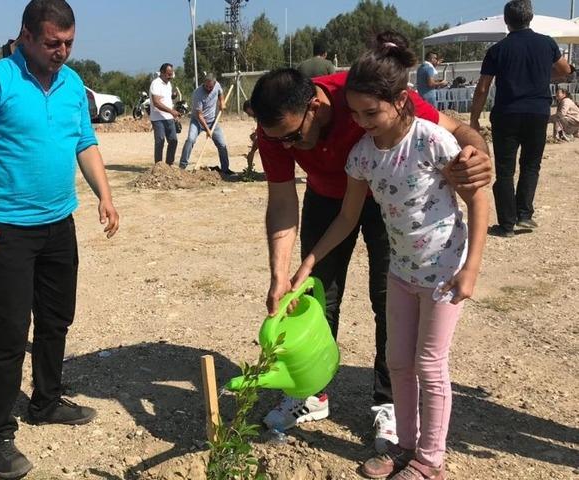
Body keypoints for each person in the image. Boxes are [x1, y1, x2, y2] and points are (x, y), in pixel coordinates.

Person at [248, 47, 492, 452]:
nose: (288, 147)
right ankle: (310, 392)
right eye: (279, 140)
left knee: (386, 298)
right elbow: (282, 203)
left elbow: (454, 129)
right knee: (316, 297)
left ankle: (388, 402)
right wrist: (280, 274)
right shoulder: (275, 130)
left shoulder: (363, 93)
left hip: (389, 202)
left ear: (315, 107)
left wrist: (478, 154)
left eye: (293, 137)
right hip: (330, 201)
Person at [0, 1, 120, 477]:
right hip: (9, 229)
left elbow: (84, 142)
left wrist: (105, 195)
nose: (61, 52)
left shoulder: (72, 84)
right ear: (26, 35)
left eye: (68, 43)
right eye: (52, 43)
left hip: (59, 224)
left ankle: (46, 401)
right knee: (9, 335)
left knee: (56, 320)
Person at [470, 0, 571, 237]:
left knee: (505, 170)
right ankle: (524, 215)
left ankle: (506, 224)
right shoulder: (547, 43)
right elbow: (565, 70)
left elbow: (483, 88)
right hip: (537, 112)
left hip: (506, 113)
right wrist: (543, 75)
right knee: (531, 165)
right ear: (530, 17)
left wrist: (474, 118)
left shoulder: (497, 49)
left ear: (506, 20)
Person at [178, 73, 232, 174]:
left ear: (214, 83)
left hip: (213, 121)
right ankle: (182, 167)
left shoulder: (217, 85)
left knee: (222, 144)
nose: (208, 88)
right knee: (190, 140)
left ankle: (225, 169)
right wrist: (207, 130)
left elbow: (220, 93)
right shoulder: (197, 94)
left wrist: (222, 102)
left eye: (210, 87)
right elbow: (199, 115)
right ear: (204, 83)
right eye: (206, 86)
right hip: (197, 121)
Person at [149, 62, 180, 165]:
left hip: (169, 118)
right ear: (162, 72)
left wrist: (172, 96)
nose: (170, 76)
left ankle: (169, 165)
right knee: (160, 140)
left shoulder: (168, 84)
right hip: (157, 118)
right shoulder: (156, 84)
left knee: (173, 140)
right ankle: (158, 166)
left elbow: (166, 99)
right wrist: (171, 111)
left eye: (171, 74)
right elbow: (156, 103)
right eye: (168, 74)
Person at [243, 99, 259, 172]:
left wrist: (256, 134)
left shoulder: (262, 114)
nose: (249, 115)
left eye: (248, 112)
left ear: (251, 108)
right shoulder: (257, 115)